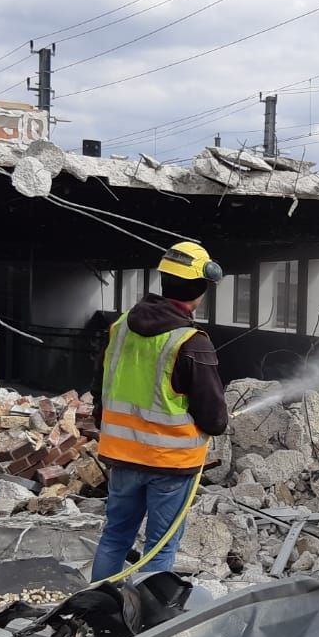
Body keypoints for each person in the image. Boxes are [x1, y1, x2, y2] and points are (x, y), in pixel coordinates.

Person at [89, 242, 228, 582]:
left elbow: (100, 390)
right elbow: (215, 420)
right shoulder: (191, 341)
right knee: (159, 547)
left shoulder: (120, 327)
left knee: (115, 537)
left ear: (164, 280)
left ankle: (91, 609)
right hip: (170, 464)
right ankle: (149, 624)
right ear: (200, 289)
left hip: (122, 457)